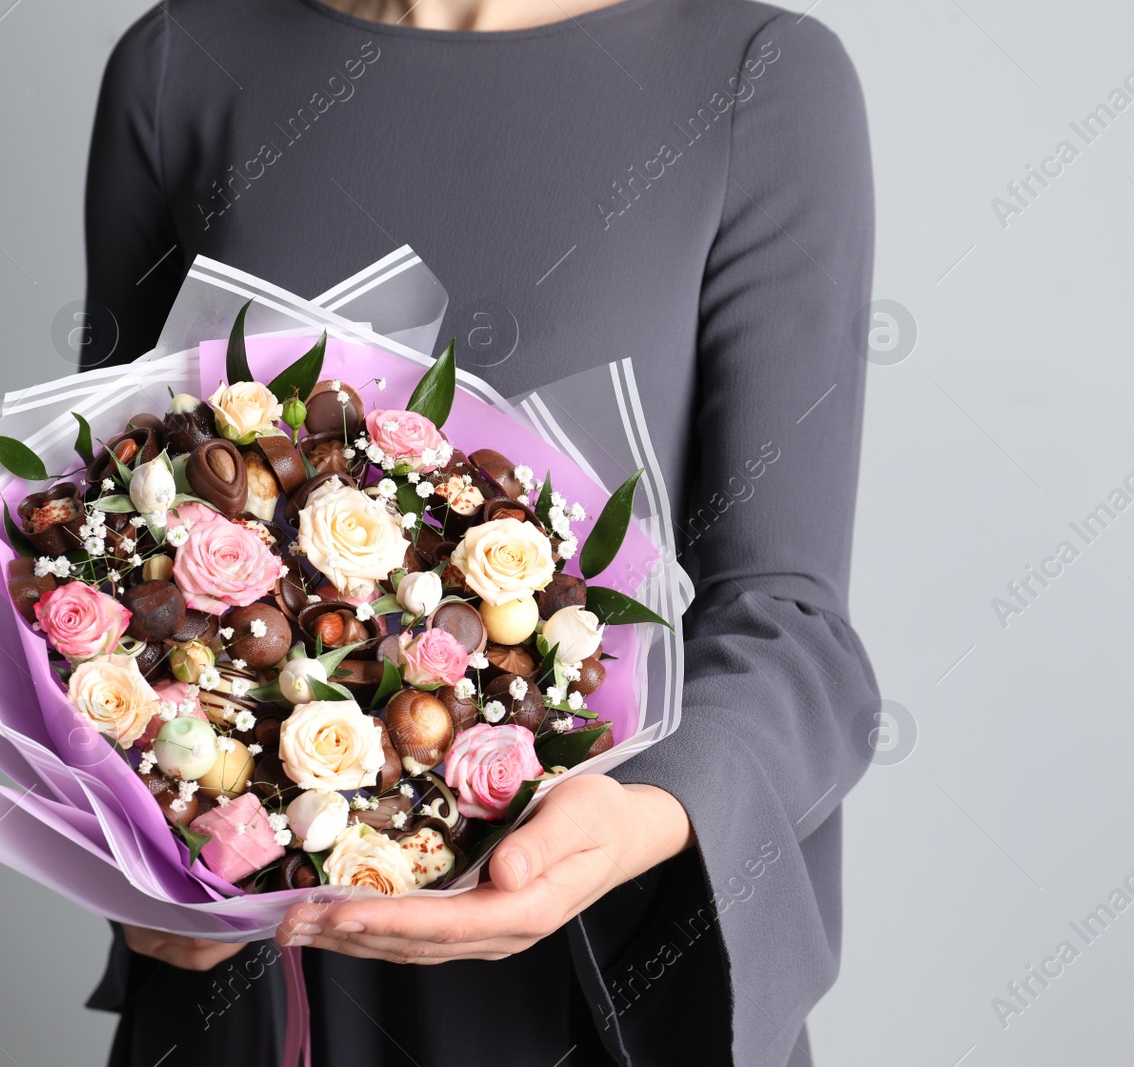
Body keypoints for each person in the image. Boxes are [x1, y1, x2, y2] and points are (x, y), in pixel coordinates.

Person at [83, 0, 877, 1063]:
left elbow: (791, 623)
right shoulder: (179, 61)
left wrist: (638, 815)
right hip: (252, 976)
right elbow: (106, 542)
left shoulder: (759, 77)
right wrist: (114, 847)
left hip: (576, 972)